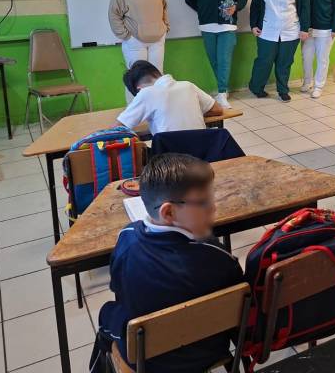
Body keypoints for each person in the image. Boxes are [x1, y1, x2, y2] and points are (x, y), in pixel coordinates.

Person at [97, 153, 244, 372]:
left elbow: (118, 288)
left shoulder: (126, 239)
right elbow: (238, 305)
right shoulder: (217, 256)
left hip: (144, 359)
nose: (213, 207)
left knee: (107, 314)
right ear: (168, 211)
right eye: (204, 202)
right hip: (208, 352)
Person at [185, 0, 248, 109]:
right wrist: (204, 10)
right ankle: (223, 90)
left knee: (224, 60)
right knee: (214, 60)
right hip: (207, 26)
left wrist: (235, 7)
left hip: (227, 26)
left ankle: (221, 92)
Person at [248, 0, 310, 102]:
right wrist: (253, 24)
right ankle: (256, 87)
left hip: (290, 30)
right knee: (264, 60)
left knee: (284, 62)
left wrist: (304, 28)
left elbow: (305, 7)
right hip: (267, 30)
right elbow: (255, 5)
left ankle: (283, 90)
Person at [109, 0, 169, 103]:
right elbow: (114, 14)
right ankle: (134, 112)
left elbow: (164, 7)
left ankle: (157, 109)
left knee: (157, 77)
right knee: (136, 80)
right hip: (135, 42)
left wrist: (165, 27)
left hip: (157, 41)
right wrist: (126, 36)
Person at [117, 61, 223, 135]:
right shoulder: (188, 85)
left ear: (139, 89)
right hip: (203, 154)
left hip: (170, 162)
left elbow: (118, 127)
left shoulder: (145, 93)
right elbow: (217, 109)